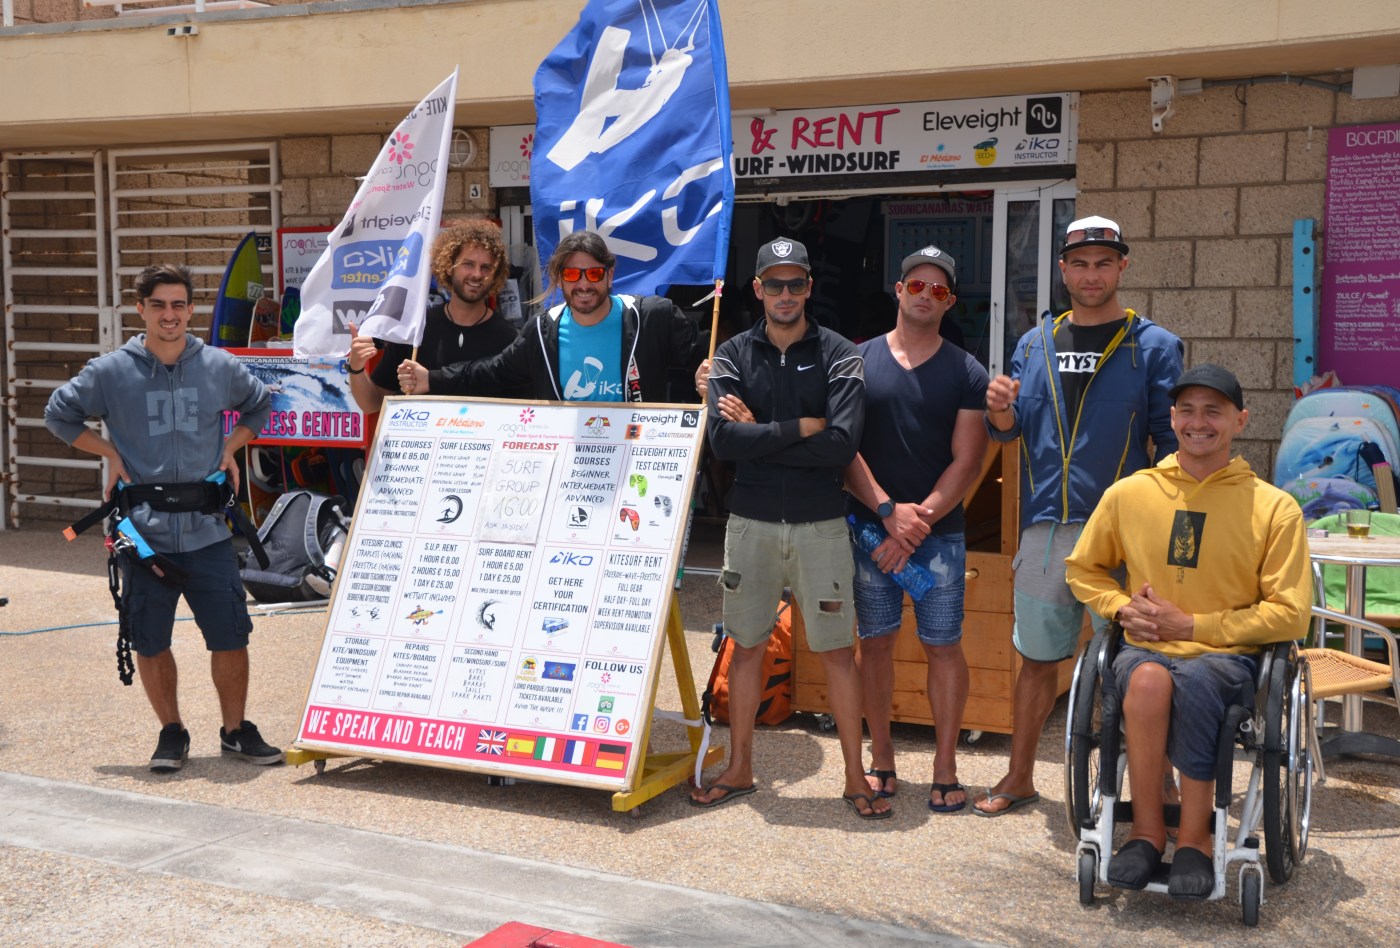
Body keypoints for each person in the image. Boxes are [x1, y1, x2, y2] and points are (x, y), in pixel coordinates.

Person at [1064, 364, 1311, 897]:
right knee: (1148, 683)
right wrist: (1119, 607)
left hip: (1227, 657)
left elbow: (1291, 614)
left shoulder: (1274, 508)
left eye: (1214, 411)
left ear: (1240, 420)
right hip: (1146, 649)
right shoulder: (1130, 493)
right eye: (1187, 411)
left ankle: (1196, 838)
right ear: (1171, 419)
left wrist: (1194, 624)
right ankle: (1148, 832)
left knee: (1198, 684)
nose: (1199, 423)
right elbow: (1083, 568)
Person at [974, 216, 1184, 817]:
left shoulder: (1154, 346)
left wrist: (1165, 530)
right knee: (1037, 661)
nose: (1091, 274)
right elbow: (1009, 434)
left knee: (1140, 659)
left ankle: (1161, 781)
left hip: (1122, 534)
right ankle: (1019, 777)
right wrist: (1002, 414)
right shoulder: (1033, 342)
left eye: (1103, 262)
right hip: (1045, 532)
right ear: (1062, 270)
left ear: (1122, 267)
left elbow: (1170, 446)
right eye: (1080, 263)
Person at [45, 264, 283, 773]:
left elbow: (260, 406)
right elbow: (58, 413)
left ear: (190, 309)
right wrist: (108, 451)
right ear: (141, 309)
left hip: (208, 532)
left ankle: (236, 731)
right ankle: (171, 732)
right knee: (150, 639)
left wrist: (232, 447)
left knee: (230, 634)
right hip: (143, 534)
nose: (169, 315)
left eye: (178, 305)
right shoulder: (110, 372)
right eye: (159, 305)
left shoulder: (219, 366)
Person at [690, 237, 885, 818]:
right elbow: (723, 442)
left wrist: (762, 433)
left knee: (836, 654)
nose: (784, 294)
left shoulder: (840, 353)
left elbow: (843, 446)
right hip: (748, 524)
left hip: (820, 525)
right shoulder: (729, 354)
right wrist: (800, 426)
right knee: (745, 648)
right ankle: (741, 767)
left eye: (794, 283)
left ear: (808, 287)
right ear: (757, 289)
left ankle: (854, 778)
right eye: (772, 284)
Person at [843, 245, 989, 812]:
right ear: (897, 289)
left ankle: (945, 766)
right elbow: (844, 449)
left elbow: (968, 461)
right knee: (874, 645)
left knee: (943, 646)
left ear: (949, 301)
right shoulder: (854, 362)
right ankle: (882, 758)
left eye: (939, 290)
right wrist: (887, 513)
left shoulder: (966, 370)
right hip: (870, 533)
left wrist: (915, 521)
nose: (926, 295)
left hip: (937, 538)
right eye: (917, 285)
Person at [400, 230, 699, 401]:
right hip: (571, 470)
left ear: (609, 275)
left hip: (637, 463)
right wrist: (432, 379)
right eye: (571, 274)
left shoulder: (651, 317)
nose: (583, 284)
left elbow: (706, 360)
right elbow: (493, 371)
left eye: (593, 273)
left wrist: (707, 375)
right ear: (559, 279)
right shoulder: (543, 331)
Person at [345, 218, 521, 409]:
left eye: (486, 267)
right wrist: (356, 368)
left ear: (495, 275)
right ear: (448, 266)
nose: (477, 274)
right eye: (468, 264)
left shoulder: (510, 339)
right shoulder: (416, 329)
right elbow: (372, 403)